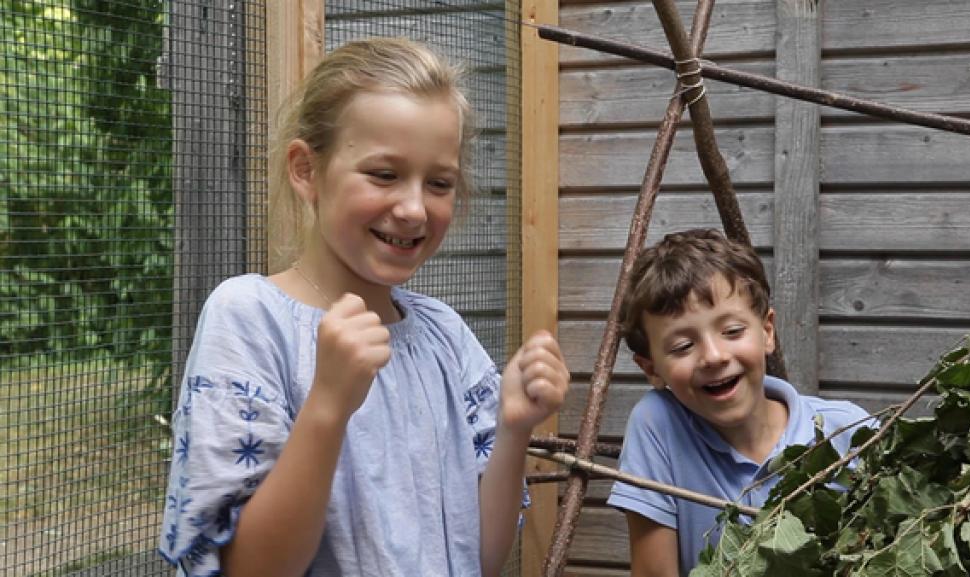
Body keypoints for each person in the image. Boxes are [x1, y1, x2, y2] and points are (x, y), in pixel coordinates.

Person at [158, 37, 569, 577]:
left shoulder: (444, 335)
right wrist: (328, 405)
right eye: (384, 174)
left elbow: (481, 559)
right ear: (306, 170)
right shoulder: (250, 318)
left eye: (439, 182)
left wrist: (514, 429)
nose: (414, 208)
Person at [606, 228, 870, 576]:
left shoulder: (850, 432)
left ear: (767, 332)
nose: (713, 356)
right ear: (652, 369)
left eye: (732, 331)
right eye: (683, 347)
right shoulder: (658, 425)